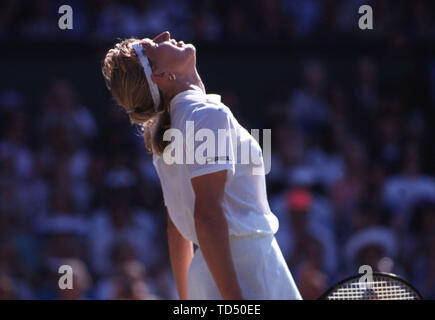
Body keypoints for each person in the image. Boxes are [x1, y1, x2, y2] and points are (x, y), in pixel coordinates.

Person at [102, 31, 301, 300]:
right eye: (153, 46)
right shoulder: (205, 115)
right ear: (161, 76)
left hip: (209, 278)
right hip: (247, 272)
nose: (165, 36)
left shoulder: (169, 130)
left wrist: (186, 301)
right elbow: (207, 215)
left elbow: (176, 231)